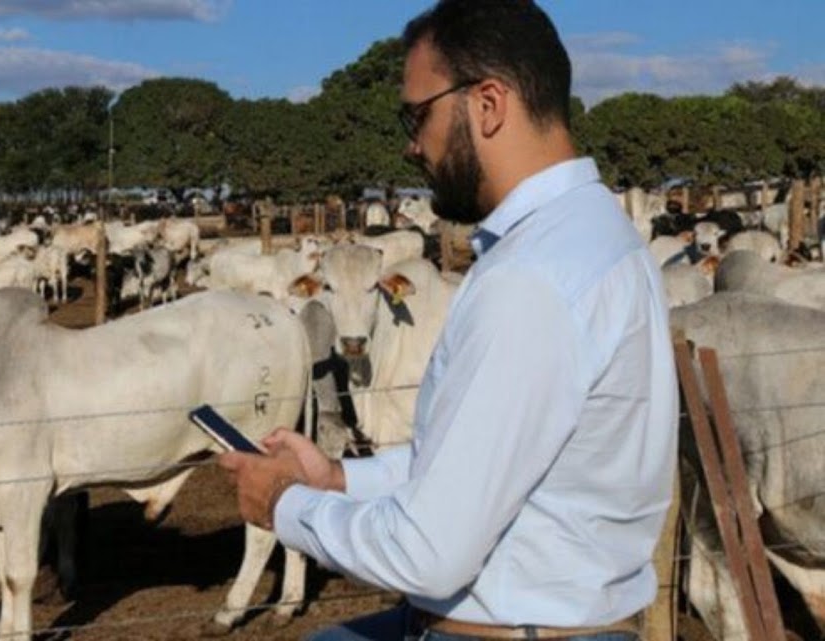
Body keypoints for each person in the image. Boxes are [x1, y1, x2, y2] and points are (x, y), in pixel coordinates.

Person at [218, 1, 678, 639]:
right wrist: (337, 476)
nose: (412, 144)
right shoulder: (602, 238)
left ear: (487, 104)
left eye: (417, 115)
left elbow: (428, 553)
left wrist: (285, 504)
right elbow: (480, 459)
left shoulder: (530, 279)